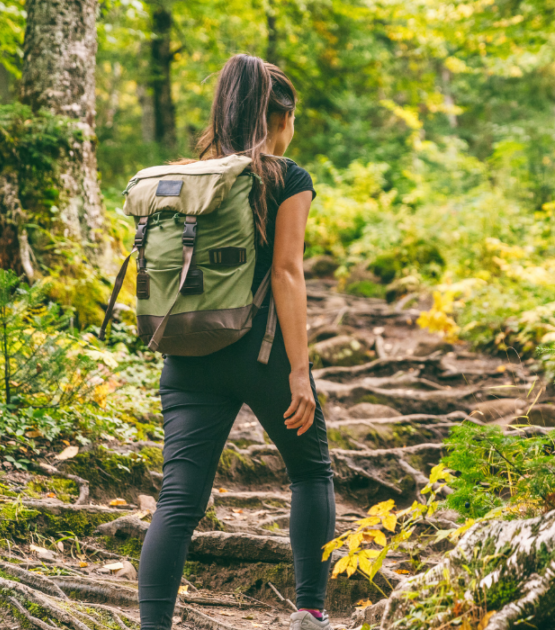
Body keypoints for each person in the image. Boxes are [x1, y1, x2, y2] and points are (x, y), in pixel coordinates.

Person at [137, 53, 336, 630]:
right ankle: (309, 610)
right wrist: (299, 372)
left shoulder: (185, 179)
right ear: (281, 117)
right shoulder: (286, 177)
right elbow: (286, 273)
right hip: (263, 355)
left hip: (188, 354)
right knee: (310, 470)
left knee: (177, 501)